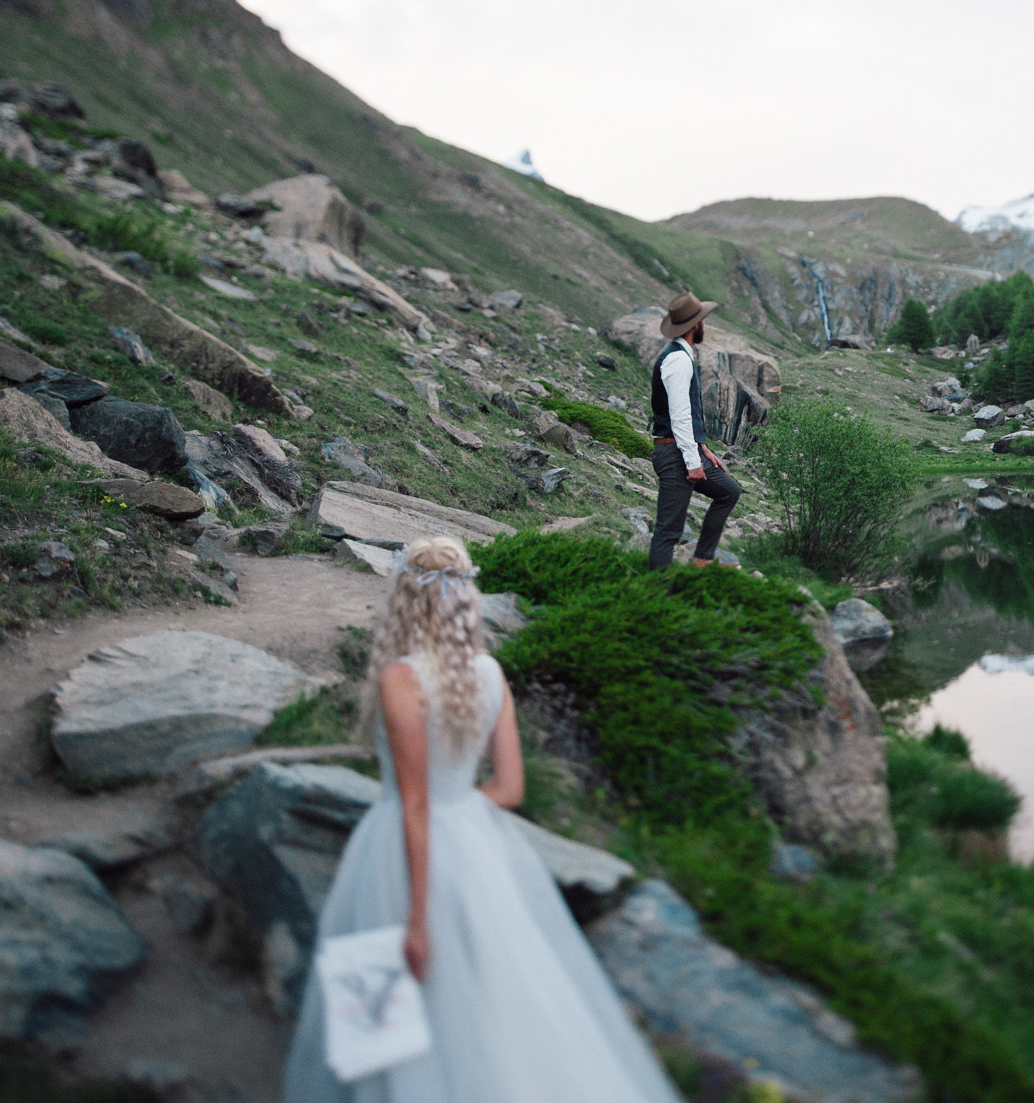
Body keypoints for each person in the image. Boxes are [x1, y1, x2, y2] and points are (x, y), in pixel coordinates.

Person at [282, 536, 681, 1103]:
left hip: (399, 855)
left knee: (385, 1001)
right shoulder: (491, 674)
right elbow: (510, 789)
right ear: (466, 597)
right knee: (484, 1001)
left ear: (404, 597)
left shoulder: (402, 679)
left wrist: (416, 922)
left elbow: (415, 805)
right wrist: (460, 813)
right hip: (475, 849)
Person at [647, 292, 741, 569]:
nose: (704, 326)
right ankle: (656, 597)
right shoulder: (677, 360)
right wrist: (692, 462)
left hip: (681, 449)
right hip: (674, 454)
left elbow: (685, 414)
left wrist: (701, 447)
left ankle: (702, 560)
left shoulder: (682, 356)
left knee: (728, 491)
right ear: (694, 326)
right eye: (702, 321)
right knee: (668, 531)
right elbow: (679, 415)